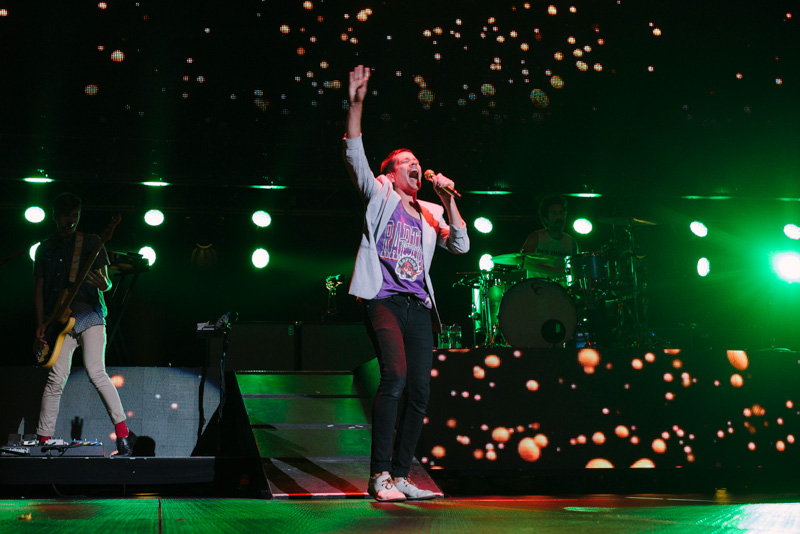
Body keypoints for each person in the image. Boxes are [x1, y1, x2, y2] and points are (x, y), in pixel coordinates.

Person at [344, 65, 469, 501]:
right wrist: (355, 105)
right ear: (392, 173)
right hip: (383, 300)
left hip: (419, 307)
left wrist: (448, 200)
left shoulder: (430, 213)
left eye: (418, 162)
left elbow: (461, 246)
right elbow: (354, 156)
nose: (416, 166)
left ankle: (400, 476)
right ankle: (378, 475)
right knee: (393, 377)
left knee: (421, 391)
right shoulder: (379, 196)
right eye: (407, 163)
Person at [34, 192, 136, 456]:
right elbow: (39, 289)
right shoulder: (45, 247)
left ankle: (123, 435)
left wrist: (105, 284)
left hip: (89, 314)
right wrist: (41, 322)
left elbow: (107, 282)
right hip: (59, 320)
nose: (71, 220)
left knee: (96, 372)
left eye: (75, 215)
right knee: (55, 379)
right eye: (66, 215)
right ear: (55, 216)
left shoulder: (91, 242)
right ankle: (43, 439)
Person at [520, 194, 578, 284]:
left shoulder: (571, 241)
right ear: (545, 218)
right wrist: (554, 270)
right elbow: (523, 262)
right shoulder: (536, 237)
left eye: (562, 212)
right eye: (554, 213)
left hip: (562, 289)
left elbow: (576, 267)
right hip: (537, 288)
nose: (559, 217)